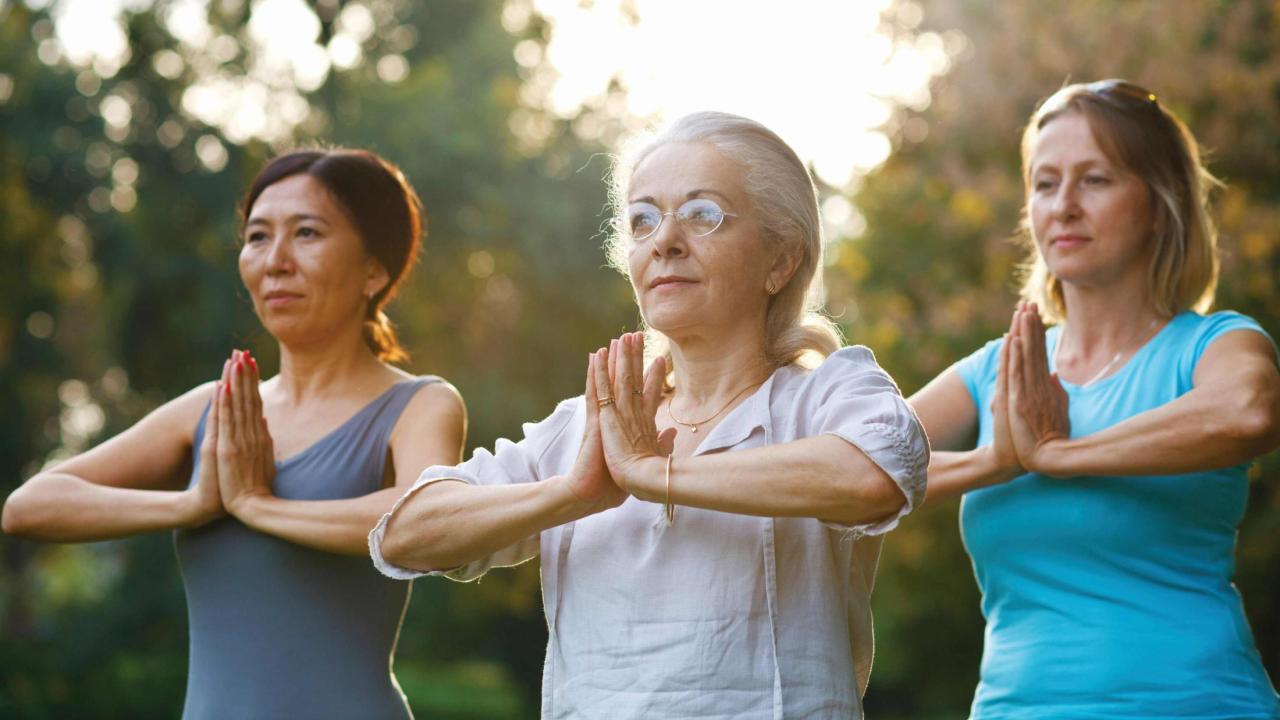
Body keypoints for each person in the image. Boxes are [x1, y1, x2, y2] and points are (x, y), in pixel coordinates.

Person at [369, 111, 929, 719]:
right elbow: (405, 535)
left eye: (702, 213)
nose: (664, 239)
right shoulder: (587, 426)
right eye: (643, 219)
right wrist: (573, 493)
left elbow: (878, 473)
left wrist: (651, 475)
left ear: (781, 260)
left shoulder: (824, 394)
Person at [2, 148, 465, 719]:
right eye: (257, 237)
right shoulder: (214, 411)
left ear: (374, 268)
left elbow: (425, 519)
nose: (275, 261)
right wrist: (194, 503)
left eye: (307, 234)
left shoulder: (420, 405)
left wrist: (255, 505)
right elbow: (28, 507)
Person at [908, 80, 1280, 717]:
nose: (1064, 207)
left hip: (1198, 704)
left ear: (1160, 204)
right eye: (1046, 183)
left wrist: (1059, 454)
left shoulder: (1214, 343)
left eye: (1096, 180)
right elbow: (857, 462)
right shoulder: (999, 367)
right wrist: (994, 462)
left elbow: (1250, 410)